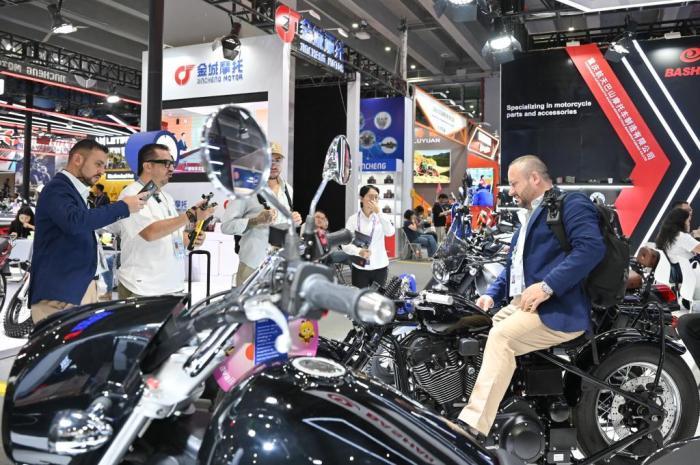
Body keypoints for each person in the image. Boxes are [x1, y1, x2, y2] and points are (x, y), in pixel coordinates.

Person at [457, 155, 605, 438]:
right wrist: (491, 295)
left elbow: (590, 249)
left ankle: (472, 428)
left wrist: (547, 286)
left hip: (558, 308)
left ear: (534, 178)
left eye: (514, 183)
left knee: (501, 338)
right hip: (522, 305)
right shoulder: (529, 218)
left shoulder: (571, 203)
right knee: (473, 330)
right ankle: (497, 406)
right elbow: (513, 267)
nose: (510, 191)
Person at [29, 139, 146, 323]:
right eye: (98, 164)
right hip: (60, 293)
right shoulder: (58, 188)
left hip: (77, 289)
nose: (102, 171)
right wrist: (122, 207)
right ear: (77, 159)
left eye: (104, 166)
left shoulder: (76, 192)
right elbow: (75, 222)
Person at [116, 143, 215, 298]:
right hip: (143, 288)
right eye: (166, 163)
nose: (171, 168)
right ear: (148, 166)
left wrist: (191, 238)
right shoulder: (131, 195)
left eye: (172, 164)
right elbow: (150, 233)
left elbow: (173, 235)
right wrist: (190, 215)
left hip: (172, 286)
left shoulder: (166, 197)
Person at [221, 142, 302, 286]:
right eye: (269, 160)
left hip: (281, 266)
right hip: (253, 266)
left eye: (277, 160)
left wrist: (294, 221)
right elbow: (226, 226)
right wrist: (256, 221)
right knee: (247, 301)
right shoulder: (245, 189)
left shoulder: (288, 190)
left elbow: (283, 224)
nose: (273, 164)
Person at [342, 185, 395, 288]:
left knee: (378, 296)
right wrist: (358, 251)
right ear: (361, 198)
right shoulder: (353, 219)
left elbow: (390, 233)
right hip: (360, 266)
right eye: (370, 197)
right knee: (359, 296)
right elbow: (345, 244)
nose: (374, 200)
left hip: (380, 266)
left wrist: (379, 213)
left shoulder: (382, 217)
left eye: (376, 197)